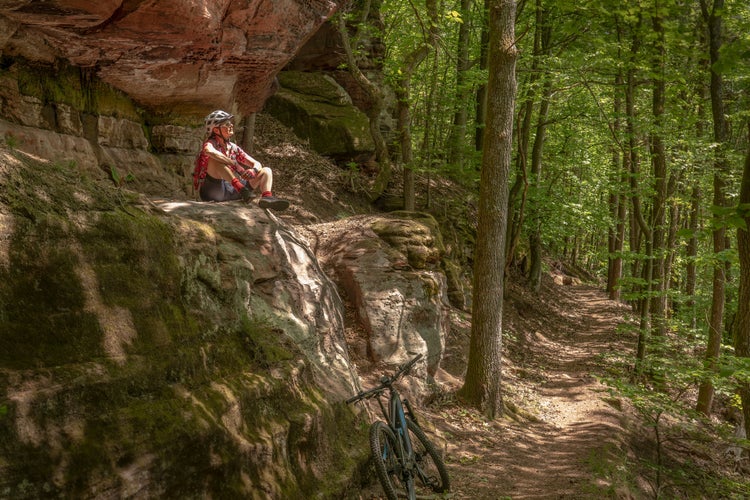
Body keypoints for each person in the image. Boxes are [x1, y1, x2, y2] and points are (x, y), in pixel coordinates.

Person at [193, 110, 289, 210]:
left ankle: (267, 198)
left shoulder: (233, 148)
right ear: (216, 130)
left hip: (232, 190)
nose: (231, 125)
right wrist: (233, 163)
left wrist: (254, 170)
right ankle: (243, 191)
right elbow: (208, 151)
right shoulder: (210, 144)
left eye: (230, 123)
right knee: (216, 161)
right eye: (226, 124)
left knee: (266, 171)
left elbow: (256, 163)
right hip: (213, 191)